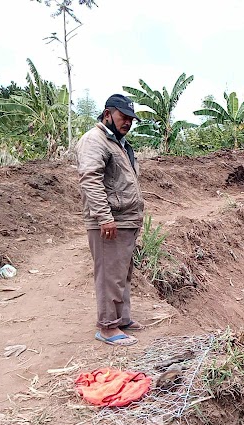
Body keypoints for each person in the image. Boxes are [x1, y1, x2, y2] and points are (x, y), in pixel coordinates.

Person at [76, 94, 145, 346]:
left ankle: (122, 319)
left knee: (122, 273)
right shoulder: (95, 141)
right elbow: (90, 180)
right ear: (107, 114)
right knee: (109, 275)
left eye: (130, 119)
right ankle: (107, 328)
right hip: (109, 222)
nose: (127, 122)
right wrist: (104, 217)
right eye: (123, 117)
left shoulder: (118, 143)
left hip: (125, 220)